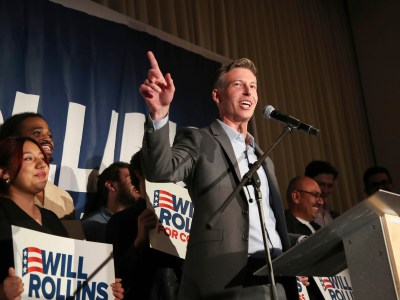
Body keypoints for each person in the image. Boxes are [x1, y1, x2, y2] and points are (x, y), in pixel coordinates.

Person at [138, 51, 298, 299]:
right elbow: (160, 170)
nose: (248, 92)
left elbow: (270, 222)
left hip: (276, 275)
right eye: (238, 85)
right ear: (217, 95)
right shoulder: (199, 139)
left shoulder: (263, 158)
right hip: (227, 277)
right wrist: (159, 114)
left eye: (253, 86)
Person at [0, 137, 124, 299]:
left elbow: (69, 277)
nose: (42, 164)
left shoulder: (51, 218)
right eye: (28, 158)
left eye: (42, 158)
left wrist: (103, 288)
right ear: (4, 172)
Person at [106, 151, 183, 300]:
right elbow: (114, 280)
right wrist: (139, 242)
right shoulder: (121, 220)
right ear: (140, 174)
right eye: (161, 166)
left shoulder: (188, 214)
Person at [0, 112, 75, 219]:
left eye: (49, 135)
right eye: (37, 133)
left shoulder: (63, 198)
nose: (47, 139)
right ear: (13, 140)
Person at [285, 176, 324, 300]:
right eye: (315, 195)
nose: (321, 201)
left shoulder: (320, 230)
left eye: (320, 196)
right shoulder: (281, 227)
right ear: (296, 197)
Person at [82, 161, 139, 242]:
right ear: (111, 185)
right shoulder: (91, 226)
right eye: (131, 178)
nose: (138, 183)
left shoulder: (144, 221)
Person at [304, 160, 340, 227]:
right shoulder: (295, 217)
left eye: (330, 186)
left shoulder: (336, 216)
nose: (325, 191)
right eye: (321, 184)